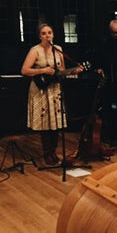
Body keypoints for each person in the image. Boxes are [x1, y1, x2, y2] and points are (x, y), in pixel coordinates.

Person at [21, 23, 82, 166]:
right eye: (43, 33)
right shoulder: (35, 50)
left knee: (56, 122)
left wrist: (73, 72)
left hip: (55, 89)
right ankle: (47, 153)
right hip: (41, 89)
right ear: (39, 36)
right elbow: (24, 70)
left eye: (49, 32)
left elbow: (62, 71)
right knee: (45, 123)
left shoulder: (58, 49)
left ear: (53, 35)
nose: (47, 35)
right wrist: (42, 71)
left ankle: (54, 152)